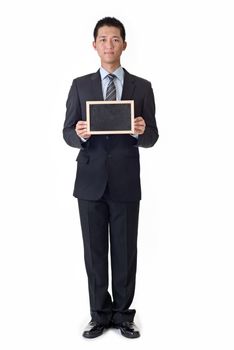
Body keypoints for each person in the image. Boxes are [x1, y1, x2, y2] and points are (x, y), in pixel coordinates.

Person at [63, 17, 159, 339]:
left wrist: (142, 132)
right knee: (94, 252)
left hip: (126, 181)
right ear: (94, 45)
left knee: (124, 250)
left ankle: (123, 315)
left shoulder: (141, 87)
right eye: (102, 39)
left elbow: (153, 137)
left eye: (115, 39)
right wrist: (79, 135)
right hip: (90, 182)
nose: (108, 45)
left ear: (124, 45)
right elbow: (66, 131)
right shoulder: (80, 85)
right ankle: (98, 315)